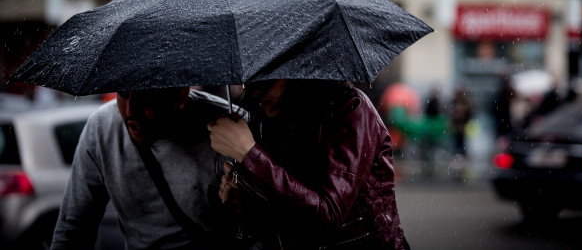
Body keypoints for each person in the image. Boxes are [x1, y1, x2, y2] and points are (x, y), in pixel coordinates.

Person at [207, 79, 410, 249]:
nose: (253, 90)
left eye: (265, 79)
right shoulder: (273, 121)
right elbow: (287, 215)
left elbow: (327, 215)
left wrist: (248, 153)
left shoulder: (351, 108)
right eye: (248, 81)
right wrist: (244, 203)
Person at [51, 87, 235, 250]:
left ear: (180, 94)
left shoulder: (231, 129)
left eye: (145, 97)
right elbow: (73, 229)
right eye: (123, 94)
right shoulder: (102, 129)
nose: (131, 111)